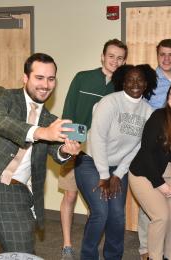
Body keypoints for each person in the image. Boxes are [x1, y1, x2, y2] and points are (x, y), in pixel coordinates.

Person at [0, 53, 81, 259]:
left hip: (16, 195)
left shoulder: (50, 119)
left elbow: (55, 150)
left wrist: (66, 150)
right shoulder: (2, 97)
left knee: (23, 256)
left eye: (51, 79)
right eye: (39, 77)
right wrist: (41, 132)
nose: (45, 84)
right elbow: (0, 122)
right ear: (25, 78)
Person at [75, 64, 156, 260]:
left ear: (146, 83)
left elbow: (138, 147)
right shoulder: (109, 102)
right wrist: (104, 175)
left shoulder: (148, 111)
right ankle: (88, 257)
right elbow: (97, 138)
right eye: (130, 79)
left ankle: (113, 257)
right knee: (101, 212)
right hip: (90, 162)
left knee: (117, 215)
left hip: (119, 167)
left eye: (140, 80)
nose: (135, 83)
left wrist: (118, 174)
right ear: (122, 81)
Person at [59, 38, 127, 259]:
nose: (115, 61)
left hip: (106, 154)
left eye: (120, 58)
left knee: (101, 208)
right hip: (75, 148)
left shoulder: (123, 86)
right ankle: (67, 245)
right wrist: (68, 145)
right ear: (102, 56)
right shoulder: (83, 78)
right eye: (111, 56)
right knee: (70, 195)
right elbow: (68, 111)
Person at [130, 79, 171, 260]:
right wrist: (160, 184)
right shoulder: (158, 116)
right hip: (145, 174)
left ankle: (170, 256)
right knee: (161, 217)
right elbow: (146, 154)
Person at [137, 39, 171, 260]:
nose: (167, 59)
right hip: (149, 144)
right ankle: (146, 247)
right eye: (163, 54)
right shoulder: (148, 81)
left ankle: (167, 247)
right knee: (151, 204)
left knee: (168, 209)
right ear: (157, 55)